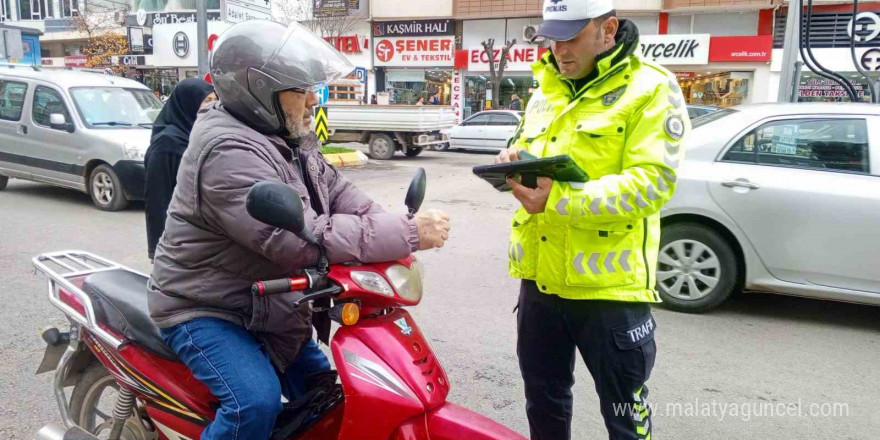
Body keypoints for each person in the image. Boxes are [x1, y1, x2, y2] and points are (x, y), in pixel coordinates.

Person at [148, 21, 451, 440]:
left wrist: (393, 226)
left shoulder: (284, 137)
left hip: (266, 305)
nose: (313, 98)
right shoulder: (228, 151)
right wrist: (410, 233)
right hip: (206, 307)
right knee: (254, 404)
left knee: (326, 397)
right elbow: (299, 239)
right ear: (257, 91)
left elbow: (343, 194)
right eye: (299, 89)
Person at [494, 1, 689, 439]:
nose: (559, 49)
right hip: (540, 284)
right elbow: (530, 155)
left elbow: (653, 183)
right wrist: (512, 162)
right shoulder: (546, 90)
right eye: (552, 37)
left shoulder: (651, 88)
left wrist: (558, 199)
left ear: (608, 29)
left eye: (571, 36)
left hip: (610, 293)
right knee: (543, 403)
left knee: (626, 421)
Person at [144, 78, 216, 262]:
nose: (213, 106)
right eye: (207, 101)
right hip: (176, 243)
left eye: (216, 100)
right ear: (187, 103)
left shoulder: (197, 137)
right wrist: (157, 249)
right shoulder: (167, 143)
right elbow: (157, 199)